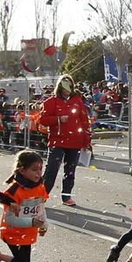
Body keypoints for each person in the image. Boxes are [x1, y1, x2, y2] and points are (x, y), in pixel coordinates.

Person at [40, 76, 93, 207]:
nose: (67, 90)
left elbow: (84, 121)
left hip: (75, 141)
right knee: (51, 169)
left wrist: (87, 140)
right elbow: (43, 119)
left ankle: (66, 196)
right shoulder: (51, 101)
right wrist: (57, 119)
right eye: (64, 87)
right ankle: (42, 195)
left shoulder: (77, 101)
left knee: (70, 170)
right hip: (57, 141)